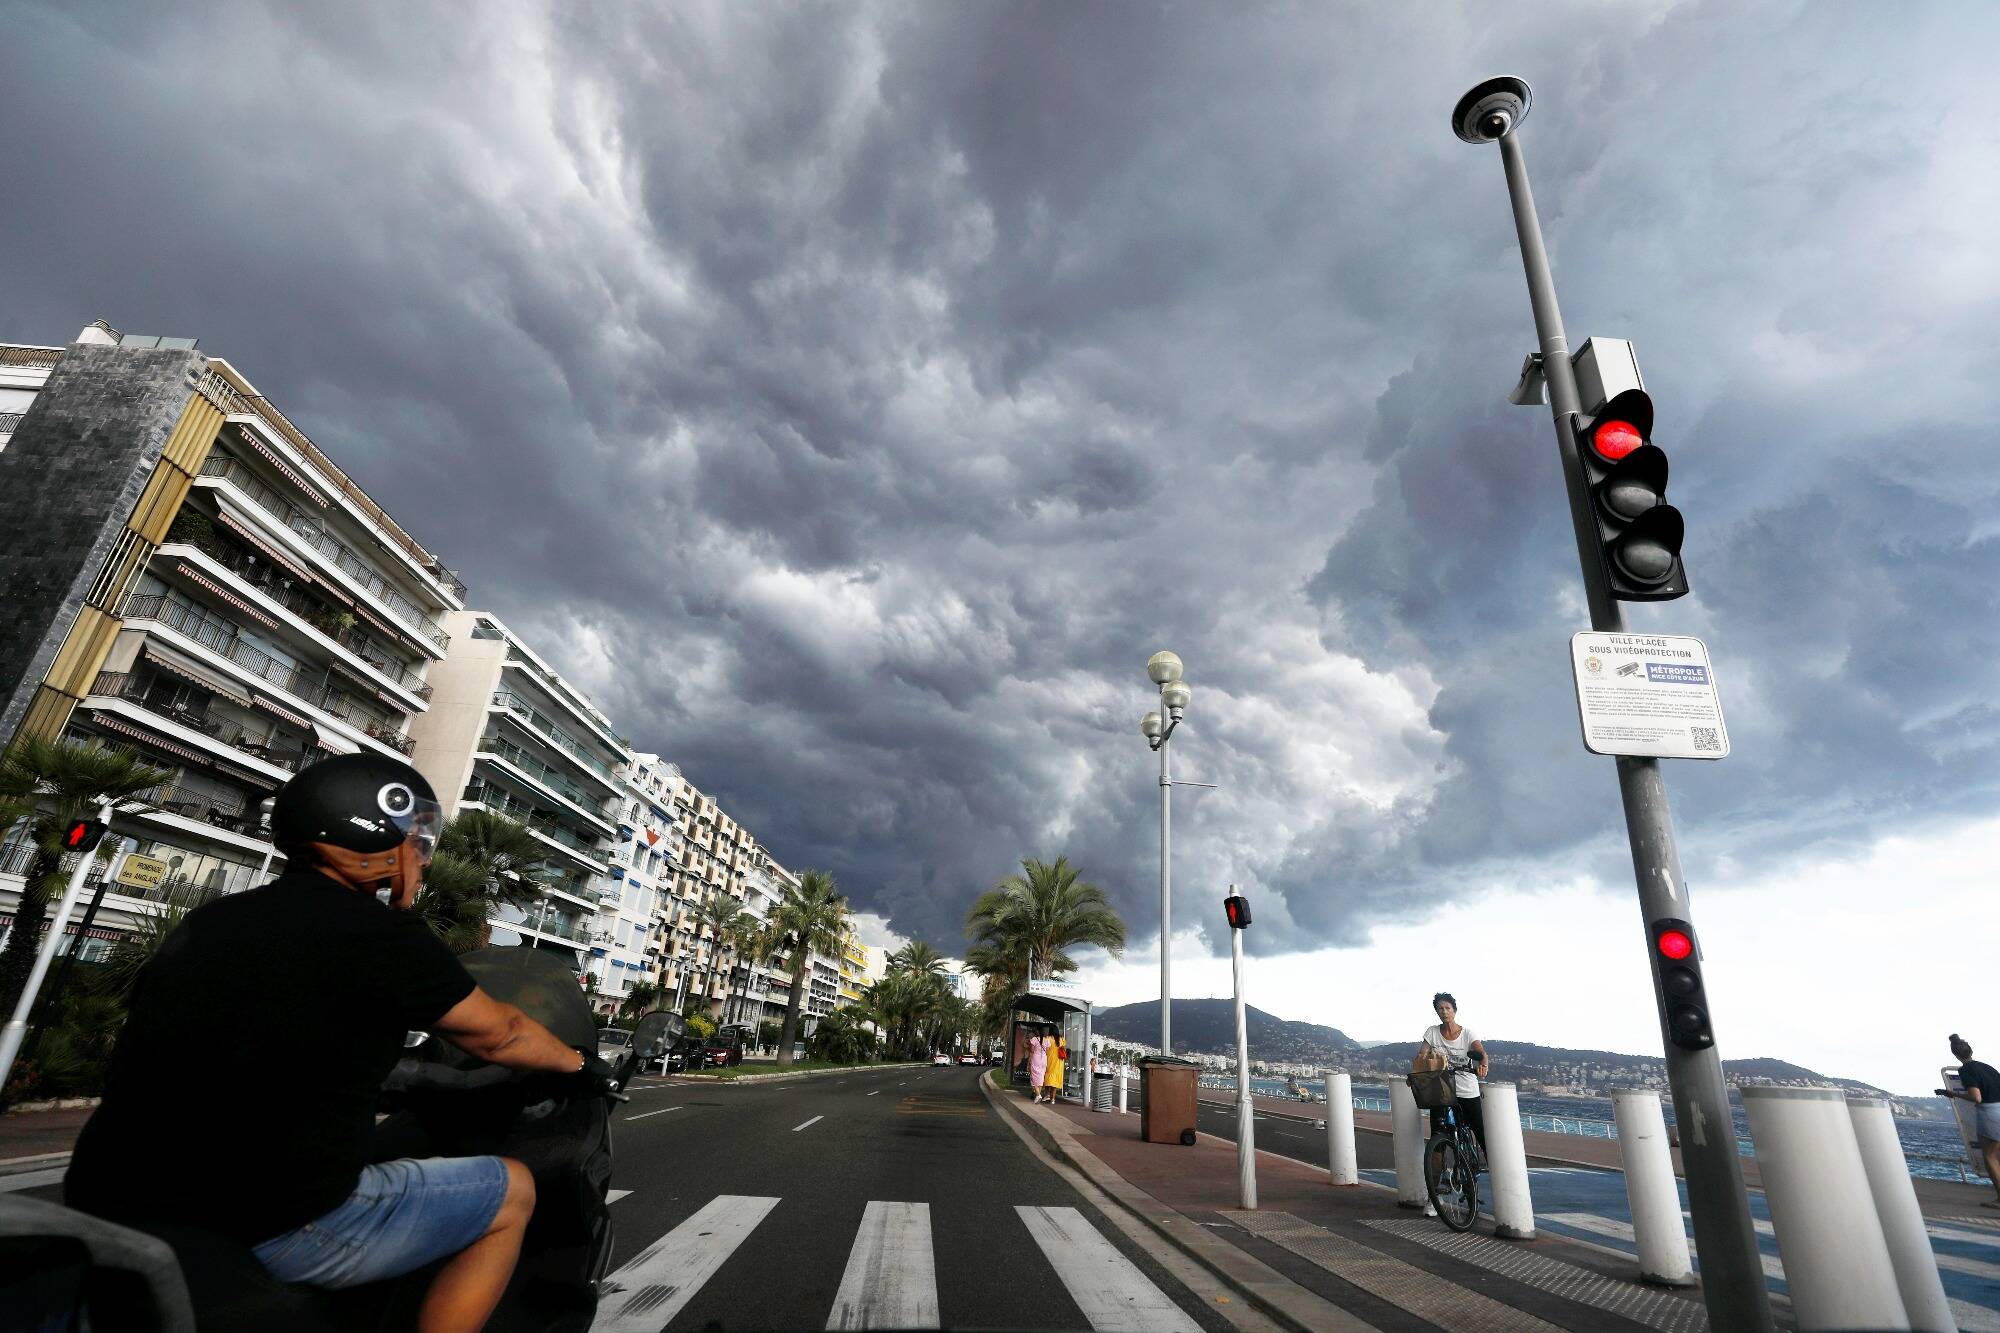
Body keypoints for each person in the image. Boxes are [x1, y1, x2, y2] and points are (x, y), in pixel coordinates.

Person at [65, 754, 622, 1333]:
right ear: (378, 834)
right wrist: (581, 1065)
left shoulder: (214, 920)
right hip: (276, 1219)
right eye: (414, 837)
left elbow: (267, 1038)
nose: (419, 852)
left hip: (108, 1194)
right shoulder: (381, 938)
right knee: (514, 1192)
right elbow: (500, 1032)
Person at [1421, 992, 1488, 1157]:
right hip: (1441, 1090)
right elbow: (1422, 1055)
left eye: (1447, 1008)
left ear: (1454, 1010)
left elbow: (1481, 1053)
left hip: (1467, 1089)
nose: (1444, 1011)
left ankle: (1496, 1171)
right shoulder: (1432, 1032)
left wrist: (1483, 1065)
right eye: (1440, 1008)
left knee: (1482, 1134)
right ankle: (1434, 1180)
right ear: (1437, 1012)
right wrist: (1419, 1068)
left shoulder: (1467, 1034)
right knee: (1436, 1139)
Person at [1946, 1033, 2000, 1208]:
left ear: (1955, 1055)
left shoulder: (1966, 1070)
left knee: (1990, 1156)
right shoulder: (1989, 1068)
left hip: (1990, 1113)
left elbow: (1976, 1097)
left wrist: (1953, 1094)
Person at [1026, 1030, 1049, 1102]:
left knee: (1034, 1077)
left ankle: (1038, 1095)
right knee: (1041, 1077)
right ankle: (1037, 1095)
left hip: (1036, 1058)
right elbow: (1047, 1050)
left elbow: (1032, 1050)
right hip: (1044, 1059)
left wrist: (1029, 1061)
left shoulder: (1034, 1039)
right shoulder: (1047, 1040)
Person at [1045, 1035, 1067, 1104]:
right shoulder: (1061, 1040)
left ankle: (1047, 1095)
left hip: (1049, 1061)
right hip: (1059, 1063)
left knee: (1048, 1079)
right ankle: (1053, 1099)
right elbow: (1064, 1048)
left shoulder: (1048, 1038)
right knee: (1054, 1082)